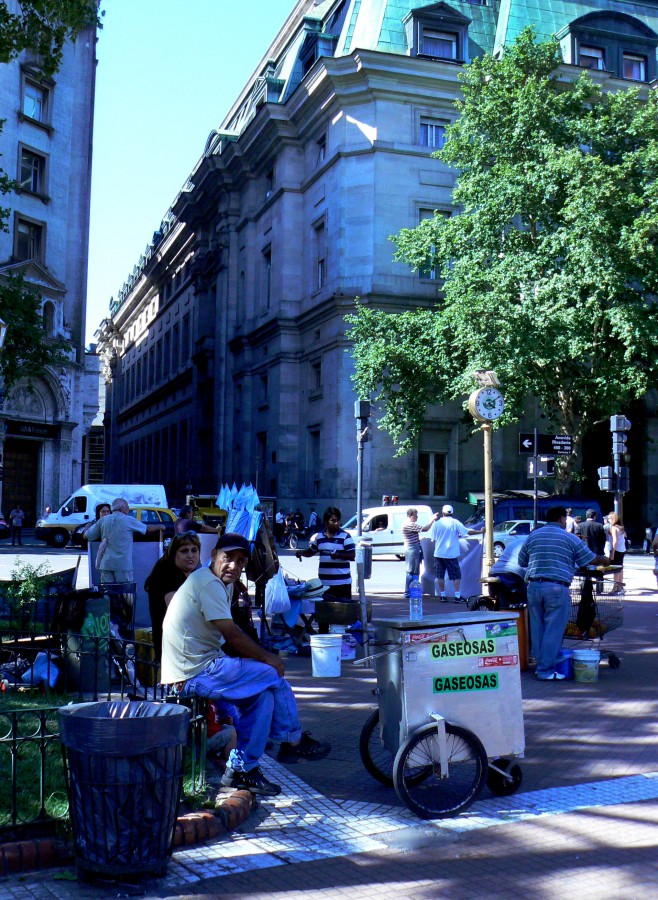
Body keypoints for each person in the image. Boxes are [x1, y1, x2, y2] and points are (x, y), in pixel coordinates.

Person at [161, 532, 331, 797]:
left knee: (262, 696)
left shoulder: (220, 582)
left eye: (240, 562)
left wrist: (256, 658)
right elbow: (231, 633)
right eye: (228, 558)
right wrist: (267, 657)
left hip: (205, 666)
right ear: (214, 556)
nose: (234, 566)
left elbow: (233, 634)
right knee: (273, 674)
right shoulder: (208, 582)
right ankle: (292, 739)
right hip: (192, 673)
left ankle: (242, 770)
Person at [518, 506, 609, 681]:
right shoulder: (569, 537)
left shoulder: (533, 536)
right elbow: (590, 559)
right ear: (561, 519)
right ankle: (546, 670)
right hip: (556, 588)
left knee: (537, 629)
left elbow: (522, 560)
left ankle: (541, 666)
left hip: (534, 586)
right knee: (553, 630)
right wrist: (605, 560)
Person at [145, 531, 202, 660]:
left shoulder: (187, 573)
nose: (190, 555)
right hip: (175, 650)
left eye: (194, 550)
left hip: (184, 644)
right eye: (184, 551)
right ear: (173, 554)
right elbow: (179, 613)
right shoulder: (167, 574)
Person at [84, 497, 164, 583]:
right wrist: (160, 526)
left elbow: (87, 535)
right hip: (122, 565)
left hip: (106, 564)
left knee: (108, 592)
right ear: (122, 508)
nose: (128, 509)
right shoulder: (128, 519)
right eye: (127, 507)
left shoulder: (103, 520)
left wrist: (87, 526)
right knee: (125, 592)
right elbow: (147, 528)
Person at [295, 507, 355, 599]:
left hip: (342, 584)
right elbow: (311, 551)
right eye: (333, 521)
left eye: (338, 520)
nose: (336, 523)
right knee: (327, 611)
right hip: (324, 585)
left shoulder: (346, 536)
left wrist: (339, 555)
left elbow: (352, 555)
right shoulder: (319, 537)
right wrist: (301, 553)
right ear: (326, 522)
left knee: (342, 612)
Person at [429, 505, 482, 603]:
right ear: (452, 512)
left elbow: (433, 538)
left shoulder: (437, 523)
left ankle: (443, 595)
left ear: (442, 512)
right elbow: (467, 532)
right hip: (451, 554)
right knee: (456, 576)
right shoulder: (455, 522)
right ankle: (457, 596)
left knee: (440, 576)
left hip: (439, 553)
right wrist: (480, 531)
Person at [402, 507, 438, 598]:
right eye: (415, 515)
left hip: (411, 548)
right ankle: (410, 591)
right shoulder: (410, 525)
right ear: (410, 516)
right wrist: (432, 519)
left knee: (412, 570)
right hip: (412, 549)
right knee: (412, 571)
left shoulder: (406, 524)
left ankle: (412, 590)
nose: (417, 517)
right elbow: (425, 529)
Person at [489, 535, 528, 607]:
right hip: (512, 573)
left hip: (494, 571)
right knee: (523, 600)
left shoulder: (516, 541)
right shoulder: (530, 543)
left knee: (501, 599)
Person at [605, 512, 626, 591]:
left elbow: (615, 541)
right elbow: (624, 537)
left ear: (613, 519)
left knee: (616, 569)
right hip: (622, 549)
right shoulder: (621, 527)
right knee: (620, 568)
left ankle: (615, 587)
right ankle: (620, 586)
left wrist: (612, 552)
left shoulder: (613, 527)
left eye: (609, 518)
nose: (608, 520)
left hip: (616, 549)